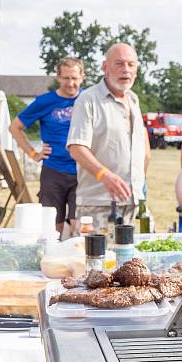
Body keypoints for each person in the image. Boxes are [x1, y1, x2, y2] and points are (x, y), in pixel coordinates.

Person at [67, 44, 150, 233]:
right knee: (92, 261)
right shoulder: (88, 99)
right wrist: (104, 175)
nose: (126, 70)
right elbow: (76, 147)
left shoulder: (134, 100)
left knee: (125, 261)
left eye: (131, 64)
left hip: (130, 203)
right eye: (119, 64)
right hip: (97, 204)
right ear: (105, 67)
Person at [9, 57, 85, 234]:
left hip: (83, 171)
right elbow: (15, 127)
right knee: (53, 226)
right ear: (58, 77)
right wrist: (33, 153)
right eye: (66, 78)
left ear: (82, 77)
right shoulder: (45, 101)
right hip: (53, 171)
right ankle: (54, 259)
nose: (70, 83)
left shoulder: (89, 100)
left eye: (74, 78)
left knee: (79, 225)